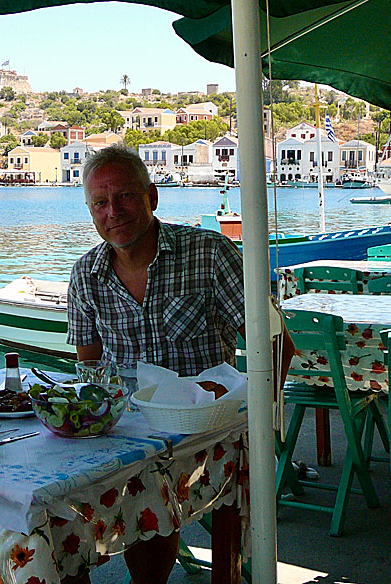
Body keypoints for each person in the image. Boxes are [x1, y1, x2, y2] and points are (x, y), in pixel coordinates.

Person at [67, 144, 294, 584]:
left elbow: (276, 345)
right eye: (100, 202)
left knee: (150, 488)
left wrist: (263, 419)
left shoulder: (209, 253)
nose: (113, 211)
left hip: (205, 432)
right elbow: (89, 372)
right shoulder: (86, 274)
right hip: (124, 432)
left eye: (125, 197)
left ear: (152, 197)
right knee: (55, 507)